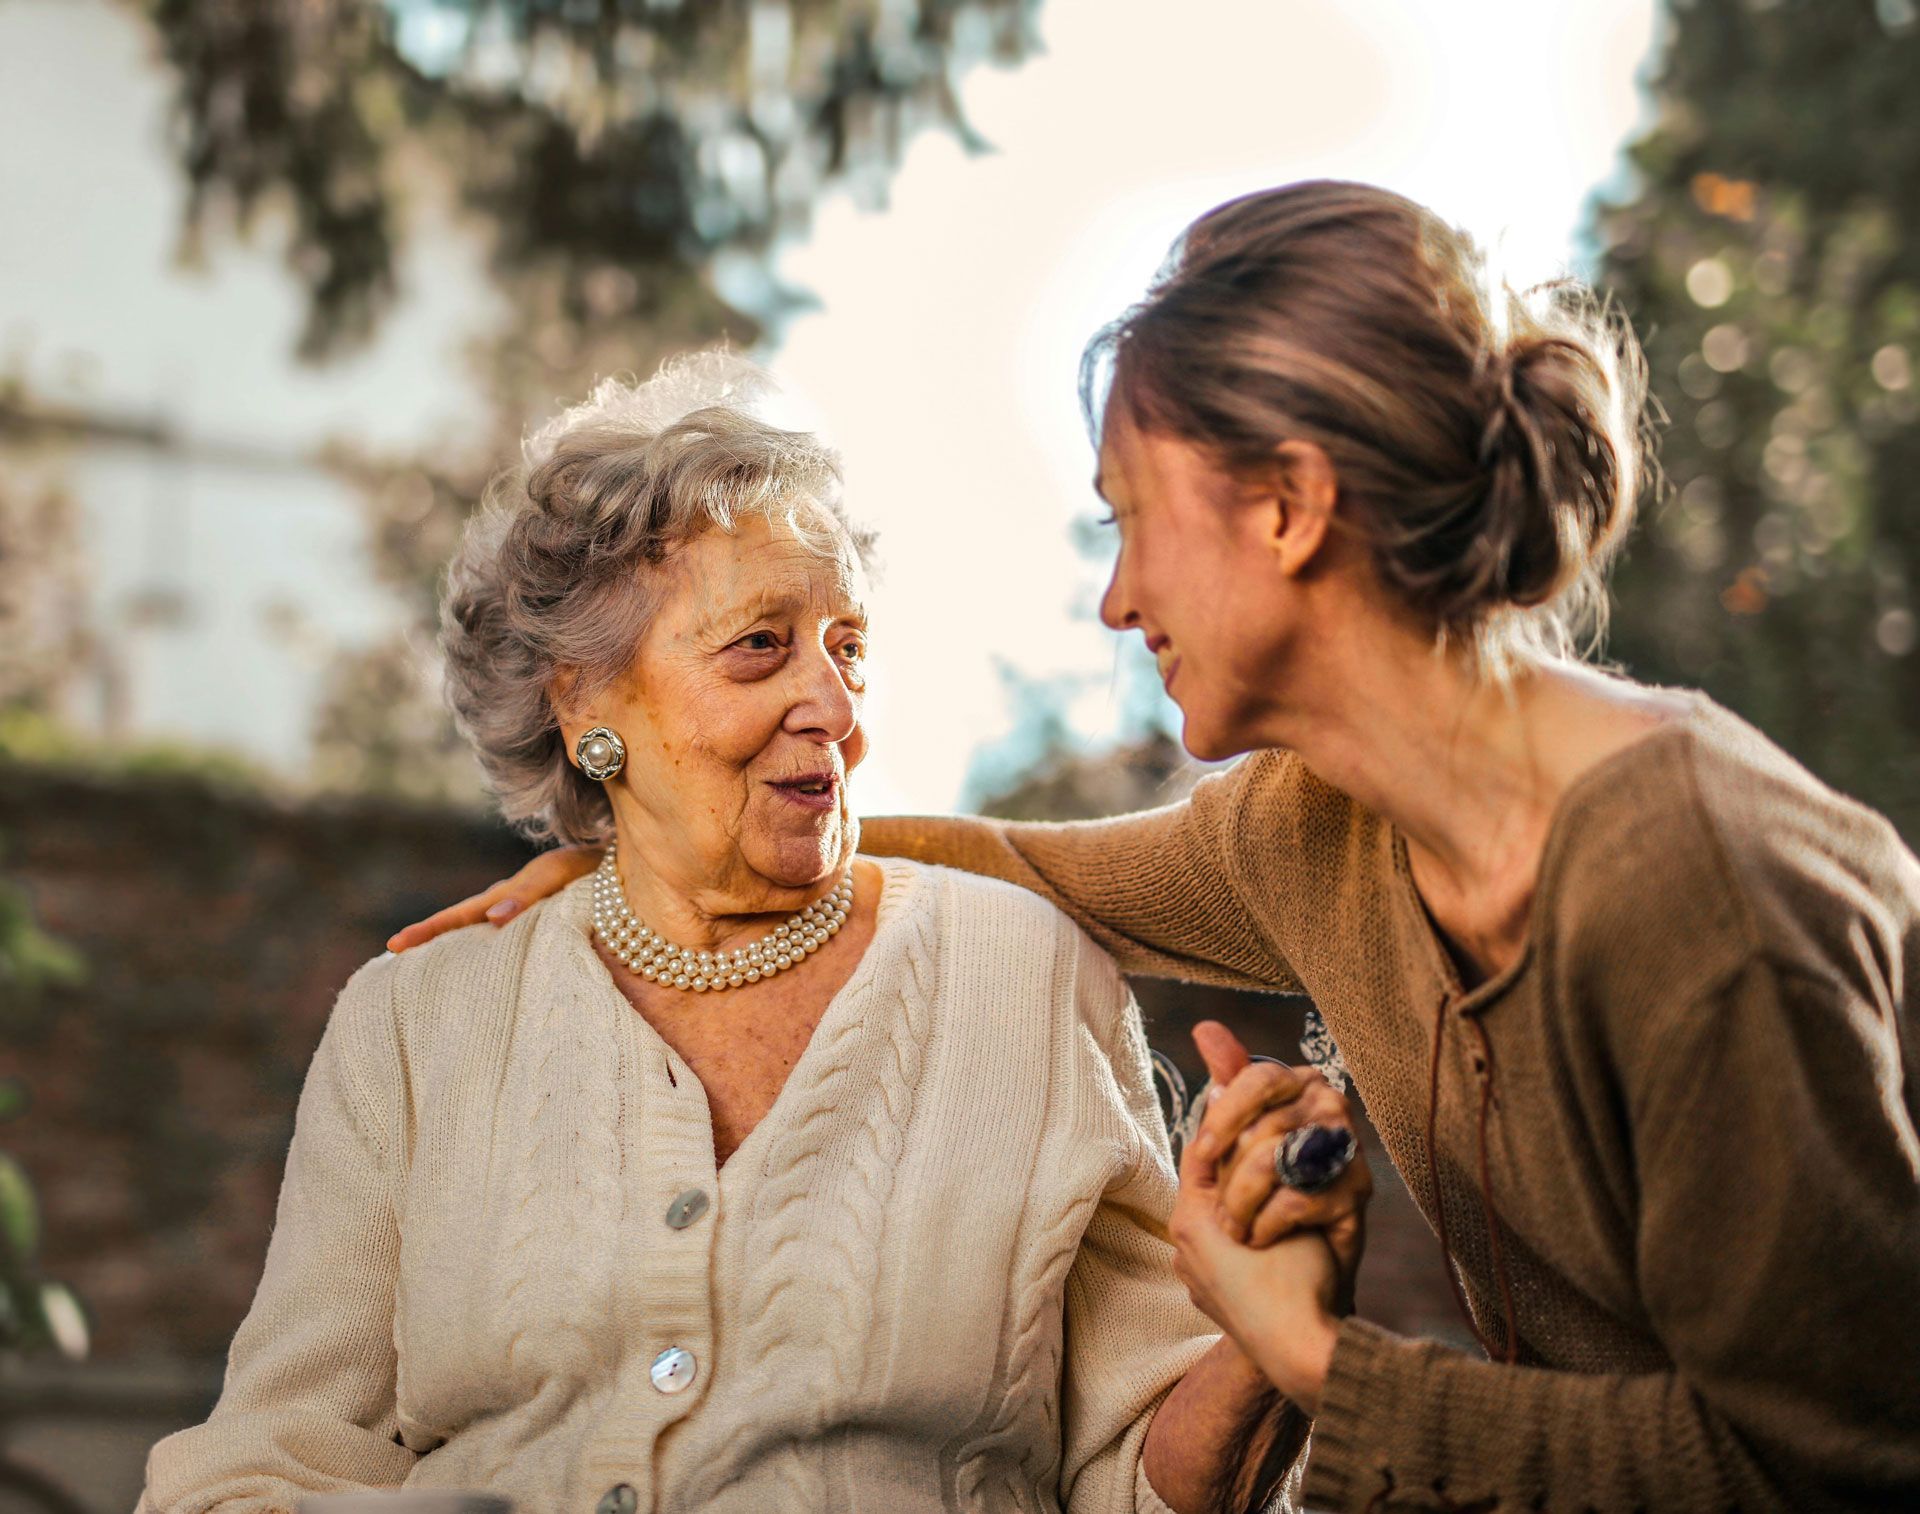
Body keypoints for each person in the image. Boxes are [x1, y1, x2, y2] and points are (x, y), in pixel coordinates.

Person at [402, 183, 1920, 1511]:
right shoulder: (1319, 829)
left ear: (1289, 506)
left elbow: (1826, 1460)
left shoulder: (1693, 885)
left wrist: (1313, 1355)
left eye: (1133, 517)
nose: (1119, 598)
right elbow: (1031, 867)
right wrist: (665, 853)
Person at [142, 355, 1355, 1514]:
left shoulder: (1026, 978)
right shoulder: (417, 1020)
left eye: (851, 649)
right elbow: (263, 1459)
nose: (832, 708)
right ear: (585, 700)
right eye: (760, 645)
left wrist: (1265, 1340)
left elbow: (1143, 1481)